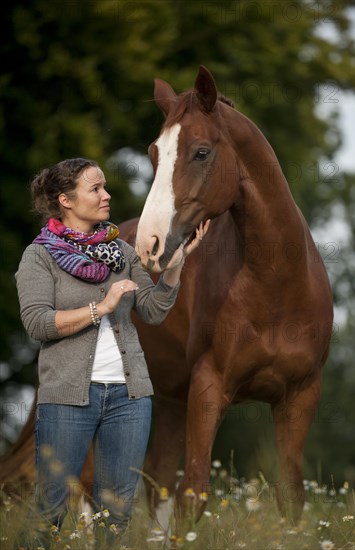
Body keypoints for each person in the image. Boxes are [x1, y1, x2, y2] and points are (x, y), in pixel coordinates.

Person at [15, 158, 209, 548]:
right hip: (68, 397)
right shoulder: (39, 257)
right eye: (95, 189)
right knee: (51, 511)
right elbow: (37, 324)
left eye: (105, 187)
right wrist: (100, 308)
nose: (106, 196)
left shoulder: (120, 252)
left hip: (129, 397)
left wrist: (175, 266)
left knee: (116, 513)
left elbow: (152, 311)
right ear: (66, 200)